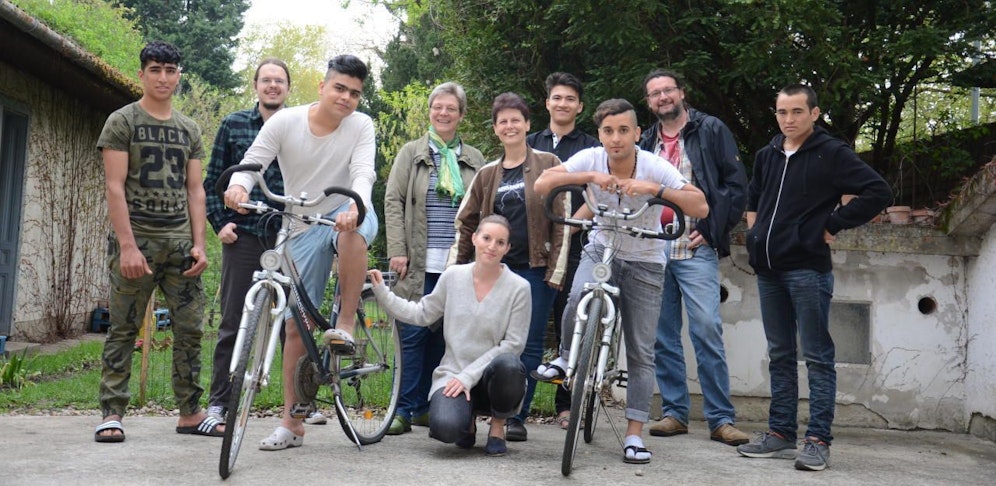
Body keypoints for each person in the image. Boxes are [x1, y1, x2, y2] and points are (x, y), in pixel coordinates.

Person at [533, 98, 709, 465]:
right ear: (600, 135)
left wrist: (654, 189)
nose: (616, 138)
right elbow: (543, 183)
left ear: (637, 133)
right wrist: (589, 177)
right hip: (602, 249)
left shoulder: (654, 166)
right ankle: (565, 358)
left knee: (642, 350)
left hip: (645, 260)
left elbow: (700, 206)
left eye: (624, 130)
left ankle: (633, 435)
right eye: (609, 131)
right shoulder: (591, 158)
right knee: (578, 295)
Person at [223, 54, 378, 451]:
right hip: (301, 222)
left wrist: (355, 205)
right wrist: (239, 186)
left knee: (352, 233)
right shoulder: (285, 121)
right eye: (339, 88)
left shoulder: (361, 125)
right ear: (322, 87)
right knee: (295, 325)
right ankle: (292, 425)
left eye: (354, 93)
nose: (346, 98)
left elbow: (364, 172)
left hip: (346, 210)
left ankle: (345, 322)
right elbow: (253, 163)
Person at [737, 84, 891, 471]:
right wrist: (756, 236)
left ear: (814, 113)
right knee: (780, 354)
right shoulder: (768, 154)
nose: (789, 119)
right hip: (769, 271)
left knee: (818, 356)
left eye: (797, 112)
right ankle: (781, 433)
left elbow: (879, 192)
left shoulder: (831, 153)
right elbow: (754, 198)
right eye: (782, 112)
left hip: (807, 270)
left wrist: (833, 224)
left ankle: (818, 440)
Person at [95, 40, 220, 442]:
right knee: (123, 329)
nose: (163, 78)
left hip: (180, 246)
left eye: (170, 70)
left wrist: (199, 244)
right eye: (155, 70)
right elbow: (115, 186)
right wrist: (127, 246)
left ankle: (190, 413)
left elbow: (195, 190)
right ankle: (112, 413)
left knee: (190, 329)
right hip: (139, 243)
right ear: (142, 74)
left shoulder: (189, 129)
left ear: (178, 75)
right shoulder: (122, 121)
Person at [201, 58, 330, 424]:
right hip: (245, 234)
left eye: (279, 81)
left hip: (293, 234)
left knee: (298, 322)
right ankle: (220, 402)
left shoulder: (301, 127)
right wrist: (220, 223)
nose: (273, 86)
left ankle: (302, 403)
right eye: (266, 80)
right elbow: (214, 181)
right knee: (234, 319)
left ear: (288, 88)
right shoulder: (234, 124)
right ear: (256, 85)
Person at [637, 69, 749, 446]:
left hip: (694, 247)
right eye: (655, 93)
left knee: (706, 328)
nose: (663, 97)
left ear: (682, 93)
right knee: (662, 335)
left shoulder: (710, 129)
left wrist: (713, 228)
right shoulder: (646, 140)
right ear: (649, 102)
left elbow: (735, 185)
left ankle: (720, 419)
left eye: (668, 90)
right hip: (653, 250)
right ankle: (674, 413)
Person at [453, 92, 569, 442]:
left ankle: (515, 416)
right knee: (485, 340)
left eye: (515, 119)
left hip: (534, 270)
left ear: (527, 124)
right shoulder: (487, 173)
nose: (509, 126)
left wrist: (556, 271)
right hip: (494, 272)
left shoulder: (549, 163)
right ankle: (477, 411)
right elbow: (465, 221)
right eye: (502, 121)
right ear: (495, 129)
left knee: (528, 344)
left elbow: (562, 219)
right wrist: (456, 269)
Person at [369, 215, 530, 456]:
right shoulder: (452, 276)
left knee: (510, 364)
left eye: (500, 242)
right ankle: (467, 421)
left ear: (507, 248)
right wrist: (382, 293)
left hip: (494, 377)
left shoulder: (519, 288)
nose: (492, 246)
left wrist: (468, 377)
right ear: (474, 238)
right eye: (486, 238)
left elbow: (513, 345)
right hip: (453, 375)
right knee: (445, 429)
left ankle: (498, 426)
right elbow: (421, 314)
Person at [384, 82, 486, 435]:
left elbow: (483, 209)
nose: (443, 113)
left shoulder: (474, 159)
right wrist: (397, 249)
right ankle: (402, 409)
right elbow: (393, 201)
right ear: (430, 111)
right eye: (437, 107)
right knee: (412, 335)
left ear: (461, 115)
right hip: (417, 261)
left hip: (457, 265)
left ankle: (427, 407)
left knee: (445, 337)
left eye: (450, 108)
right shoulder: (411, 153)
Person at [525, 72, 600, 429]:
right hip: (533, 248)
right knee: (528, 326)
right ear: (547, 103)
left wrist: (568, 229)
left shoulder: (591, 148)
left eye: (570, 98)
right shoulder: (530, 143)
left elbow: (595, 195)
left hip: (576, 247)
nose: (563, 104)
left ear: (580, 106)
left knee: (573, 325)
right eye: (557, 97)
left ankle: (566, 405)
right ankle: (516, 404)